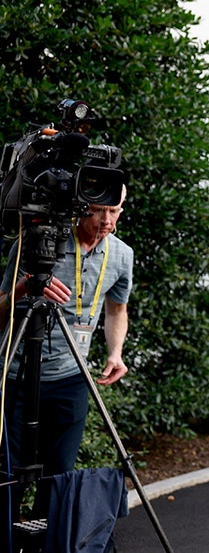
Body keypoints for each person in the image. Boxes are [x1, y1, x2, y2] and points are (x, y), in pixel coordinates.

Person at [0, 187, 133, 522]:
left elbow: (117, 309)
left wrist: (115, 352)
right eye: (98, 210)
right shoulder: (35, 245)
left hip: (71, 378)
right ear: (80, 207)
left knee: (59, 475)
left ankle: (48, 542)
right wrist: (25, 288)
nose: (106, 220)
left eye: (114, 211)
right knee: (6, 474)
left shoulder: (121, 255)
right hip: (16, 374)